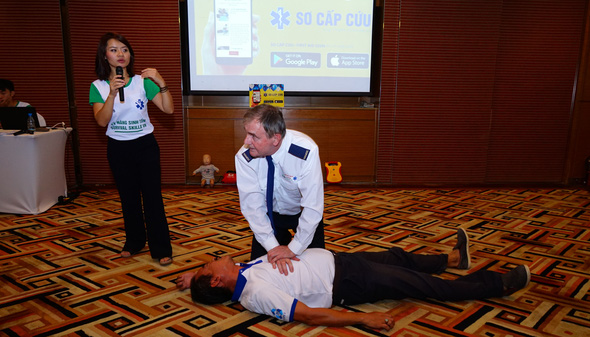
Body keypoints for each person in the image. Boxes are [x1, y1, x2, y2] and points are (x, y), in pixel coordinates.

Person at [176, 229, 531, 331]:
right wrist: (364, 318)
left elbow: (214, 273)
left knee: (397, 256)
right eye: (211, 266)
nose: (214, 259)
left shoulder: (240, 273)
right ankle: (497, 285)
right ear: (220, 283)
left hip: (339, 262)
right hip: (348, 284)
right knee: (416, 284)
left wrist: (195, 277)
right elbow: (309, 316)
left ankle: (453, 258)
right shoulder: (255, 292)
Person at [89, 32, 174, 266]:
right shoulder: (98, 86)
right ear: (105, 56)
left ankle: (161, 247)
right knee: (128, 198)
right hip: (118, 148)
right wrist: (112, 94)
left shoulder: (142, 82)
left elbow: (168, 110)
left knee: (152, 198)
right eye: (114, 49)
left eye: (124, 49)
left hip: (145, 145)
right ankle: (134, 241)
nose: (120, 54)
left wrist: (161, 81)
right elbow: (101, 121)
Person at [235, 104, 326, 274]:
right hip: (270, 216)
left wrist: (294, 248)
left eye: (253, 136)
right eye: (247, 133)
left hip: (302, 213)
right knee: (258, 271)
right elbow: (253, 208)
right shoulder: (244, 158)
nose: (246, 141)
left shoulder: (305, 151)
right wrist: (273, 248)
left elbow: (313, 207)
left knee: (318, 270)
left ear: (275, 139)